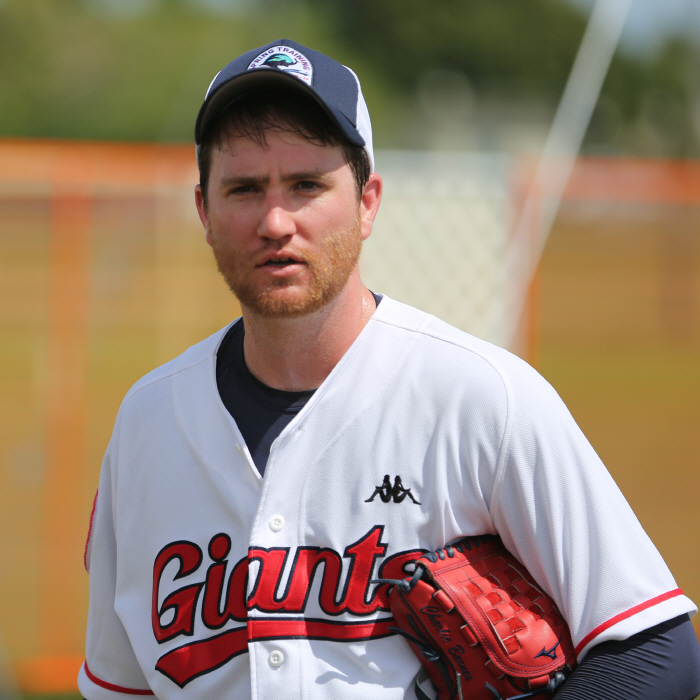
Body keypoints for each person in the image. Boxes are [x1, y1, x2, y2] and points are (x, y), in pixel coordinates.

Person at [79, 40, 700, 700]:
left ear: (367, 202)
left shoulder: (480, 397)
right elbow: (120, 686)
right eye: (244, 189)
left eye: (307, 185)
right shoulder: (148, 424)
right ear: (204, 210)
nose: (275, 221)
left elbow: (656, 651)